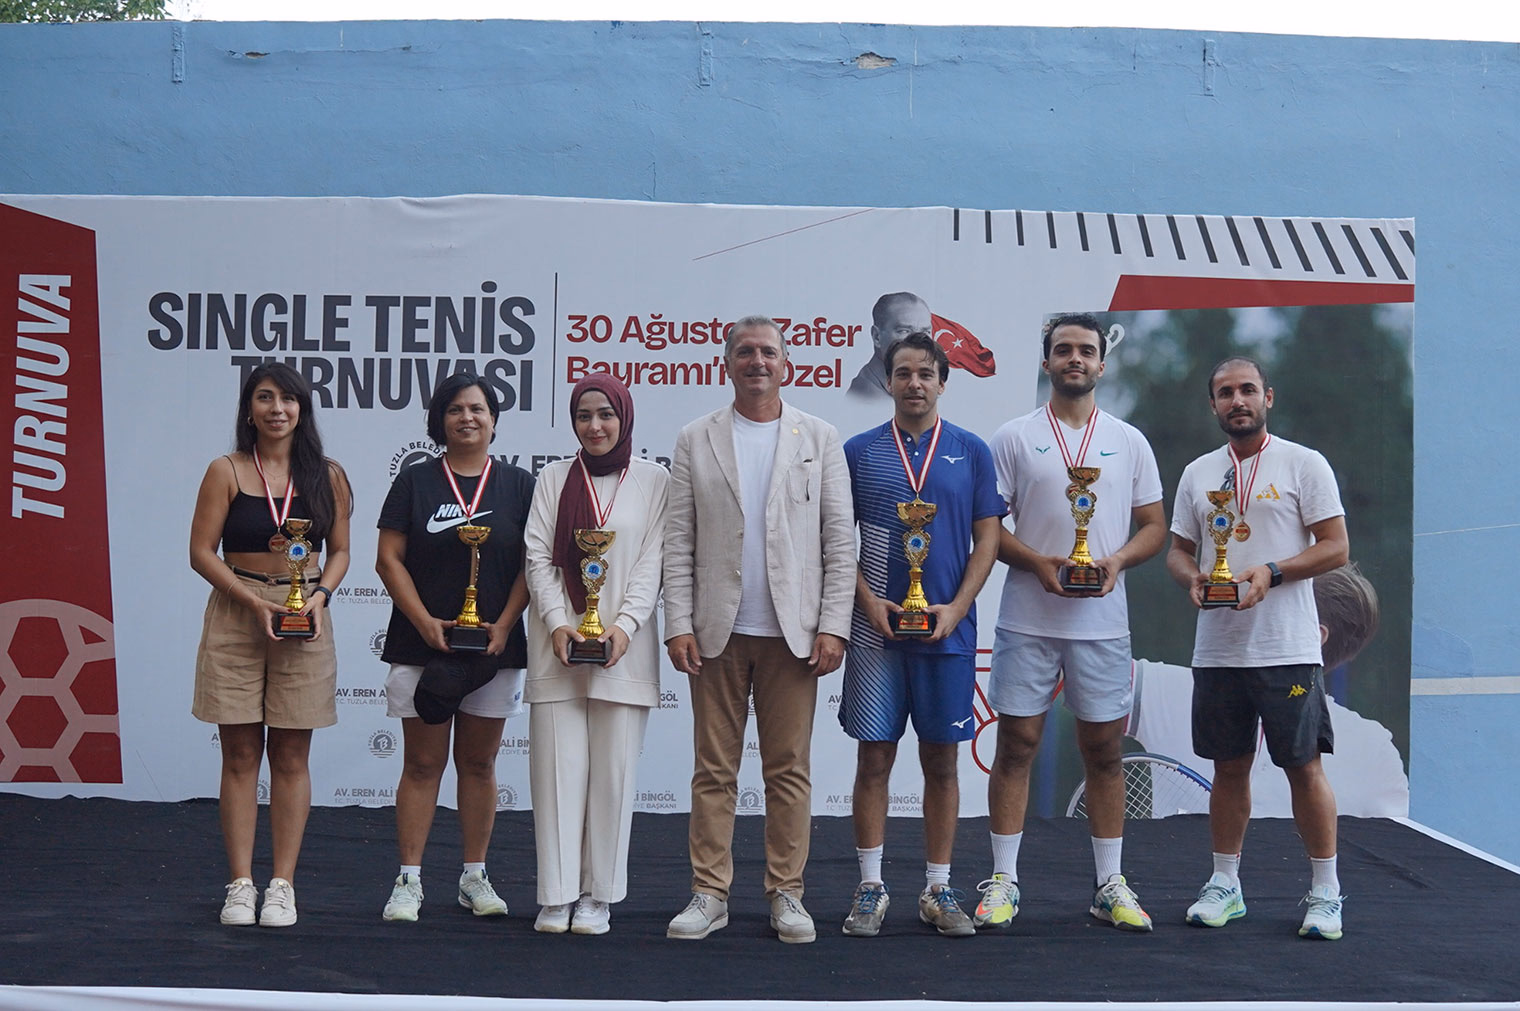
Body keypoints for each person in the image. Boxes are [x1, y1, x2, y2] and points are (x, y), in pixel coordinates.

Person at [663, 315, 855, 944]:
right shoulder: (697, 437)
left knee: (788, 769)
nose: (757, 362)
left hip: (793, 635)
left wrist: (833, 626)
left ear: (786, 363)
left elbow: (838, 540)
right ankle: (709, 893)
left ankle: (786, 894)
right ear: (726, 363)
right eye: (744, 352)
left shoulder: (819, 437)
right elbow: (679, 539)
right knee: (712, 771)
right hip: (716, 632)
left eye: (767, 352)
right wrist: (678, 623)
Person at [980, 313, 1167, 932]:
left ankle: (1109, 883)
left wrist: (1113, 561)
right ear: (1046, 362)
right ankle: (1003, 880)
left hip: (1102, 621)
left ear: (1101, 364)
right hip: (1028, 617)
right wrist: (1037, 563)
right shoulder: (1012, 436)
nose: (1075, 360)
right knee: (1017, 746)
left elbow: (1154, 527)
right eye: (1063, 350)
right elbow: (989, 530)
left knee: (1104, 751)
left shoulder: (1129, 440)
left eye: (1086, 350)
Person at [1166, 356, 1350, 939]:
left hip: (1287, 646)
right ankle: (1225, 883)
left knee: (1303, 767)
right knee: (1228, 768)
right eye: (1225, 392)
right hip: (1219, 650)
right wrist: (1191, 577)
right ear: (1213, 405)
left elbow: (1337, 547)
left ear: (1267, 396)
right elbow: (1177, 549)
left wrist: (1273, 570)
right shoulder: (1198, 473)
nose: (1237, 400)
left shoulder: (1303, 463)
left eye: (1248, 390)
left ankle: (1326, 891)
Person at [838, 332, 1003, 938]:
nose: (914, 383)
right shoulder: (858, 451)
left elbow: (987, 538)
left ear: (942, 381)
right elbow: (837, 539)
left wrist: (959, 608)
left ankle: (939, 887)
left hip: (947, 633)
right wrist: (868, 603)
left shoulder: (971, 451)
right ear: (888, 382)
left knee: (942, 761)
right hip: (877, 632)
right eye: (902, 373)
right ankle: (870, 886)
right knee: (874, 757)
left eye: (925, 374)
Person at [189, 362, 352, 928]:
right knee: (238, 756)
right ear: (249, 408)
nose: (277, 409)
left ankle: (281, 884)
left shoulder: (327, 475)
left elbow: (340, 552)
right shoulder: (226, 470)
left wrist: (321, 595)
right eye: (264, 398)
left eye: (287, 399)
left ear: (302, 408)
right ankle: (240, 884)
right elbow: (202, 551)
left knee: (290, 756)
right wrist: (251, 599)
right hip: (239, 613)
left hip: (303, 617)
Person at [374, 372, 534, 923]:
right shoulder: (416, 481)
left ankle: (474, 876)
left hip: (495, 649)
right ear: (439, 421)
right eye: (455, 410)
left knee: (480, 762)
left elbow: (531, 566)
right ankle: (409, 880)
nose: (467, 418)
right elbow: (388, 558)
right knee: (421, 764)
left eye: (478, 409)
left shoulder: (518, 485)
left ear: (494, 419)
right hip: (423, 646)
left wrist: (506, 624)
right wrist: (422, 623)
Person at [523, 375, 669, 936]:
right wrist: (560, 624)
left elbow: (652, 561)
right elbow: (538, 556)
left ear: (625, 416)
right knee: (556, 775)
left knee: (612, 777)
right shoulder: (554, 477)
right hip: (557, 650)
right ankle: (556, 895)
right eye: (584, 416)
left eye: (606, 414)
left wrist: (626, 627)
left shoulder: (655, 480)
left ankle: (598, 896)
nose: (595, 426)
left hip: (622, 655)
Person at [1127, 562, 1407, 818]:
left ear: (1311, 637)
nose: (1245, 606)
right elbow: (1091, 677)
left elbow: (1386, 852)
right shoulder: (1170, 689)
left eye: (1263, 600)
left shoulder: (1374, 751)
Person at [848, 292, 933, 400]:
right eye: (904, 331)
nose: (918, 340)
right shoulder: (865, 396)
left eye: (925, 332)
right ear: (877, 337)